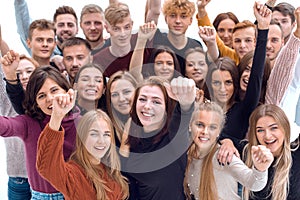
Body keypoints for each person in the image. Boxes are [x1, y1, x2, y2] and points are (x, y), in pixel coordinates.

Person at [0, 65, 79, 199]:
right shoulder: (29, 123)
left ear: (67, 91)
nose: (50, 98)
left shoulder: (82, 123)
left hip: (74, 195)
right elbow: (6, 126)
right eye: (41, 96)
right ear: (36, 103)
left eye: (54, 90)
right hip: (39, 196)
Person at [36, 94, 129, 199]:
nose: (101, 141)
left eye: (106, 134)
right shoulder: (73, 174)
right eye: (94, 134)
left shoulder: (111, 171)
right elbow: (46, 166)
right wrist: (56, 117)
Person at [119, 76, 196, 200]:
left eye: (156, 101)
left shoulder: (173, 140)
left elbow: (183, 115)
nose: (147, 106)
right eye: (143, 99)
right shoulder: (133, 140)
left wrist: (186, 103)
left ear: (167, 108)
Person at [205, 2, 271, 142]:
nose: (222, 88)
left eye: (228, 82)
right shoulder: (204, 107)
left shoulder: (243, 108)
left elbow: (256, 75)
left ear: (235, 82)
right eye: (217, 83)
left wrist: (263, 28)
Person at [184, 102, 273, 200]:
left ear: (219, 132)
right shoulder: (188, 155)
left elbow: (254, 184)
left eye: (212, 127)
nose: (205, 132)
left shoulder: (223, 156)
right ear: (189, 126)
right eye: (200, 125)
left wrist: (260, 169)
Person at [0, 38, 32, 199]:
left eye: (29, 72)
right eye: (18, 73)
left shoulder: (47, 102)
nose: (24, 77)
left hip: (46, 180)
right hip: (18, 177)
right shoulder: (6, 98)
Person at [243, 104, 292, 200]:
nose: (267, 136)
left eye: (273, 128)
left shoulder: (297, 152)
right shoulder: (247, 153)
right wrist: (227, 143)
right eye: (260, 130)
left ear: (285, 128)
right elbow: (216, 137)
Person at [93, 2, 152, 78]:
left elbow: (154, 12)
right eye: (116, 29)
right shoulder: (98, 60)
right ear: (107, 28)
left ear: (132, 24)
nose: (123, 34)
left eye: (126, 27)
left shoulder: (144, 42)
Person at [196, 0, 258, 65]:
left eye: (248, 40)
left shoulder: (263, 58)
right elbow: (210, 35)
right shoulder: (231, 55)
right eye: (237, 41)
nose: (242, 45)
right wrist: (201, 9)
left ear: (256, 42)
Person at [106, 70, 137, 145]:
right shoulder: (107, 127)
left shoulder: (150, 122)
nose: (121, 99)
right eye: (115, 95)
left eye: (126, 92)